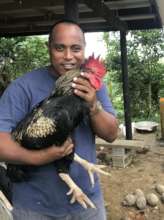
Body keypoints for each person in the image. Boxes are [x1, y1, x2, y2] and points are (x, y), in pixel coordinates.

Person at [0, 19, 118, 220]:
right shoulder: (22, 88)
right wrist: (40, 157)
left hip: (88, 203)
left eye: (75, 48)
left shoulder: (92, 86)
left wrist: (93, 106)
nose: (68, 56)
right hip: (35, 208)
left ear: (83, 49)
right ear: (49, 48)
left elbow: (111, 134)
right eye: (60, 48)